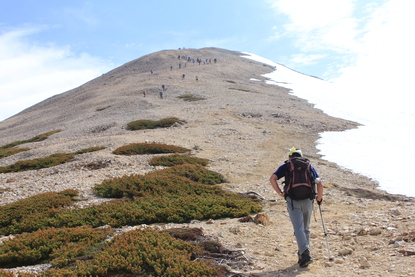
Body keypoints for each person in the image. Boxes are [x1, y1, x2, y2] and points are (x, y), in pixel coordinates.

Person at [269, 147, 323, 268]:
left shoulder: (287, 166)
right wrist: (319, 198)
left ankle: (305, 253)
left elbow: (272, 179)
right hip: (308, 200)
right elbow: (319, 183)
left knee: (298, 228)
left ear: (289, 157)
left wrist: (280, 193)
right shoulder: (308, 165)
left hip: (293, 201)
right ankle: (304, 253)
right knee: (306, 228)